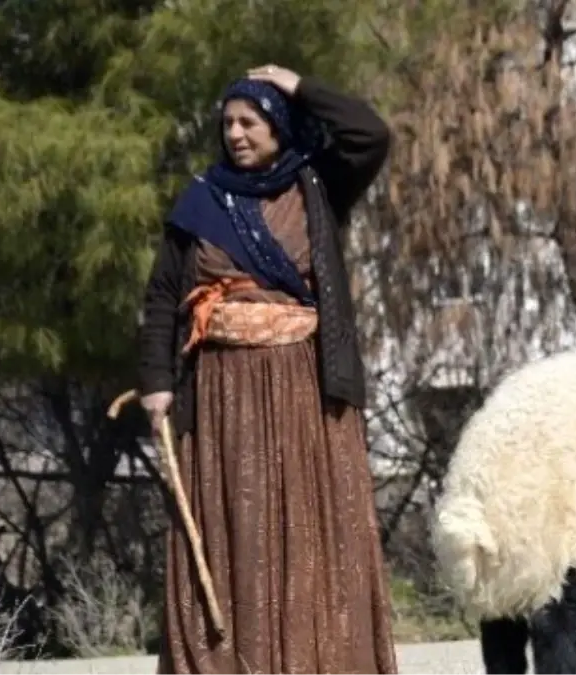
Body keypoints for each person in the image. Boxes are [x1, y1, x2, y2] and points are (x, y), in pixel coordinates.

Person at [136, 64, 399, 674]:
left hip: (308, 390)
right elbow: (161, 299)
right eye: (227, 123)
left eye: (249, 121)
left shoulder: (318, 186)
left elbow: (370, 134)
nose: (235, 133)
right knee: (236, 524)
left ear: (278, 126)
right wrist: (156, 385)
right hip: (222, 395)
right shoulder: (200, 201)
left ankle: (320, 660)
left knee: (311, 526)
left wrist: (300, 85)